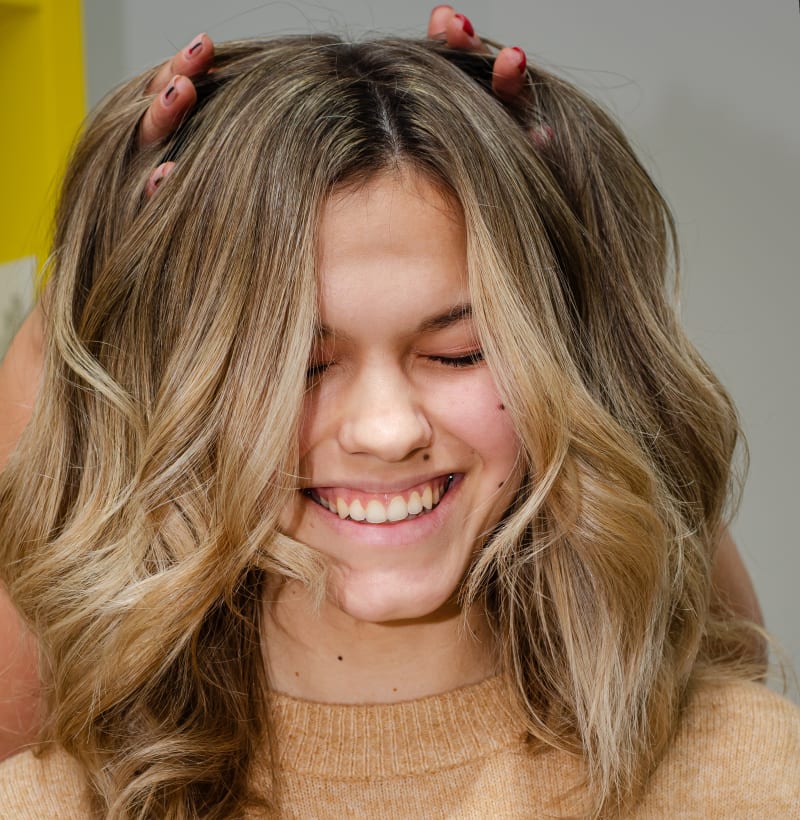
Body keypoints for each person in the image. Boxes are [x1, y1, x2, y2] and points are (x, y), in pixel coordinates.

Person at [1, 13, 795, 820]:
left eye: (457, 353)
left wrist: (574, 270)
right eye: (300, 368)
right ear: (174, 391)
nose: (387, 430)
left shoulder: (758, 780)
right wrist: (104, 280)